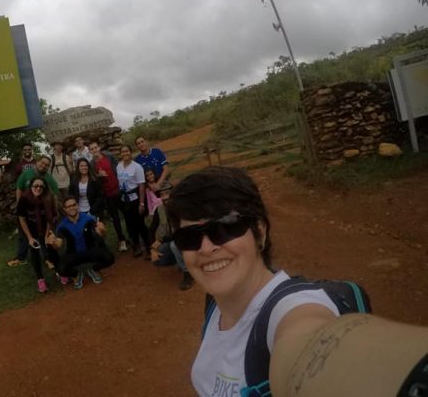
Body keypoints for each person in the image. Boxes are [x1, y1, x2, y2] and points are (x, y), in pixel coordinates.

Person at [166, 166, 428, 396]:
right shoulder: (214, 304)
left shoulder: (291, 311)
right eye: (189, 237)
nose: (206, 248)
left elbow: (308, 340)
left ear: (260, 231)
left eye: (223, 228)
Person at [46, 196, 115, 290]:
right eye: (68, 206)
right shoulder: (62, 225)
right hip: (73, 253)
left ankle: (94, 269)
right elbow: (59, 243)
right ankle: (76, 274)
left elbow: (101, 233)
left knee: (110, 258)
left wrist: (102, 230)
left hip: (90, 250)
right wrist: (53, 243)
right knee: (60, 269)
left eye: (74, 205)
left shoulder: (88, 218)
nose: (72, 208)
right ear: (65, 209)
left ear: (77, 206)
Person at [7, 156, 60, 268]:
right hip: (26, 211)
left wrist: (54, 211)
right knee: (23, 235)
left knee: (43, 234)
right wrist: (19, 206)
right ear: (37, 162)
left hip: (41, 213)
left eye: (46, 165)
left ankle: (47, 258)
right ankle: (21, 258)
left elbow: (54, 194)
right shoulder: (26, 174)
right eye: (42, 163)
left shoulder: (49, 178)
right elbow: (19, 189)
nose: (44, 166)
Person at [148, 181, 194, 290]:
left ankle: (187, 273)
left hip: (189, 238)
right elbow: (151, 229)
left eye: (167, 193)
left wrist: (163, 239)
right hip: (173, 239)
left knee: (174, 245)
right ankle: (180, 260)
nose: (165, 197)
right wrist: (152, 249)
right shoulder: (160, 210)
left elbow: (182, 232)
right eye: (162, 194)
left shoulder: (181, 208)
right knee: (159, 260)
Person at [16, 177, 58, 293]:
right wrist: (29, 238)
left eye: (41, 186)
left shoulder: (48, 198)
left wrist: (46, 236)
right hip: (30, 229)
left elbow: (50, 218)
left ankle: (60, 271)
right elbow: (22, 219)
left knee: (51, 248)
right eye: (36, 186)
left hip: (45, 227)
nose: (38, 188)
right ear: (31, 187)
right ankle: (40, 279)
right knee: (34, 250)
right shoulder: (24, 199)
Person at [89, 141, 128, 252]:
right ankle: (122, 240)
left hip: (119, 190)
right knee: (115, 218)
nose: (94, 150)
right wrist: (99, 176)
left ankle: (133, 236)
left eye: (95, 147)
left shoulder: (109, 156)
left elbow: (119, 169)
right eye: (91, 149)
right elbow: (94, 179)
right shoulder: (92, 164)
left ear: (99, 147)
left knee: (126, 213)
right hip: (108, 194)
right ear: (90, 152)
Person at [116, 144, 150, 258]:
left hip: (135, 198)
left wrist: (141, 203)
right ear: (120, 154)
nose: (125, 153)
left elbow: (141, 185)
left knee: (140, 224)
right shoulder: (119, 166)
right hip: (124, 200)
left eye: (127, 151)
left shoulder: (137, 167)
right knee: (130, 225)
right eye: (123, 152)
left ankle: (148, 247)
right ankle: (136, 246)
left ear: (130, 152)